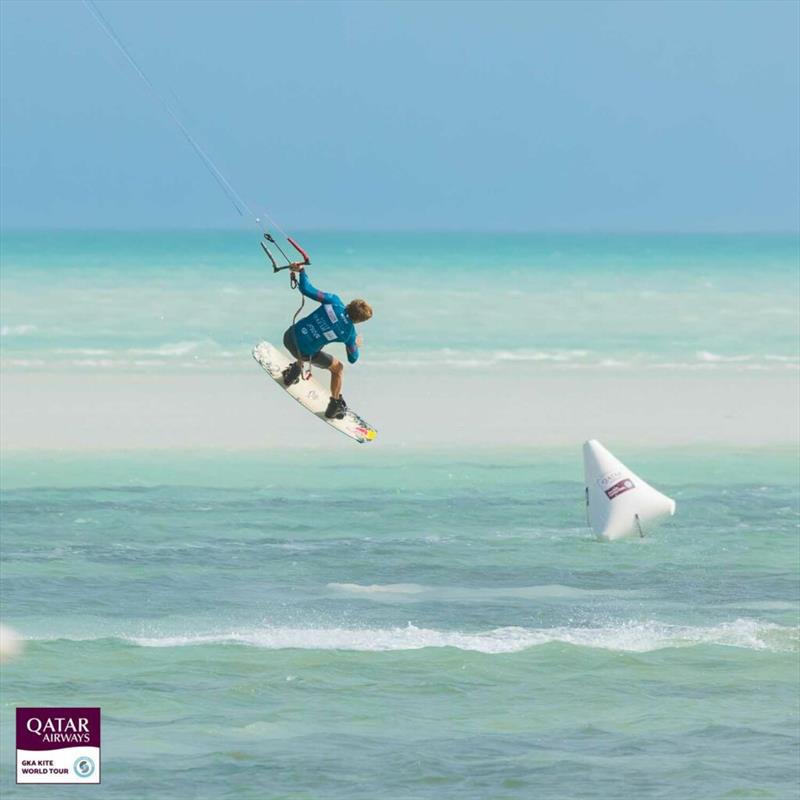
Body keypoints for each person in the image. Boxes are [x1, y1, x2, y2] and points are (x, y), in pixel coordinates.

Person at [282, 265, 373, 419]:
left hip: (289, 337)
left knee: (311, 338)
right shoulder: (350, 333)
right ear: (359, 321)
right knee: (338, 368)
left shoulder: (333, 301)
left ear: (350, 304)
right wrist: (355, 344)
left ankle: (294, 371)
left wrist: (302, 271)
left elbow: (306, 289)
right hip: (304, 353)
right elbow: (353, 359)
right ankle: (335, 405)